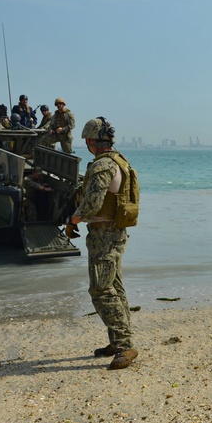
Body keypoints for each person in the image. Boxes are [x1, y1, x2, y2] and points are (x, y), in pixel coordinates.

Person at [66, 117, 137, 370]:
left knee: (101, 290)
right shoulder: (120, 161)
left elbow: (92, 204)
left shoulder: (101, 166)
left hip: (104, 235)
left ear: (90, 141)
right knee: (114, 287)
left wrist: (73, 218)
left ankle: (124, 345)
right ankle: (117, 340)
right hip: (115, 232)